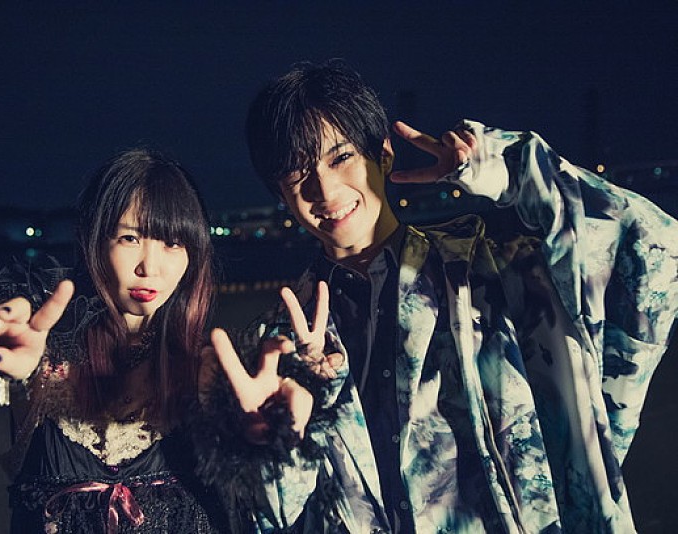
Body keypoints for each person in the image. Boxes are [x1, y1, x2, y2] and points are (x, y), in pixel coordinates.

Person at [198, 60, 678, 533]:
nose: (324, 189)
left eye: (340, 158)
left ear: (383, 154)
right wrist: (268, 444)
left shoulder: (493, 273)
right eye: (297, 173)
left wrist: (506, 169)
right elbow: (269, 519)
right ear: (280, 193)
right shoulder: (278, 346)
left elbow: (652, 247)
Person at [0, 148, 229, 533]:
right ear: (95, 241)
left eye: (172, 242)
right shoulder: (50, 366)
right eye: (130, 237)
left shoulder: (205, 368)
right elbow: (19, 378)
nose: (149, 267)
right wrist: (15, 369)